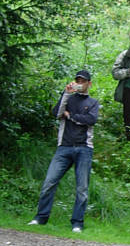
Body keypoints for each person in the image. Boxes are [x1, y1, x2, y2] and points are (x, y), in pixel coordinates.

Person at [28, 70, 99, 233]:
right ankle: (41, 217)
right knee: (49, 182)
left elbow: (91, 120)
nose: (79, 83)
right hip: (64, 147)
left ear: (89, 84)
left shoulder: (93, 102)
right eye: (78, 80)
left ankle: (77, 223)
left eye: (83, 81)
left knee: (82, 188)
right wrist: (65, 94)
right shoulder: (68, 98)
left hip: (84, 148)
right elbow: (56, 113)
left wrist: (71, 116)